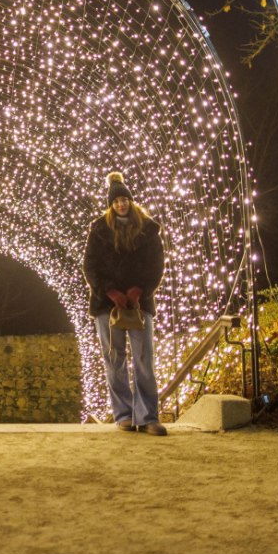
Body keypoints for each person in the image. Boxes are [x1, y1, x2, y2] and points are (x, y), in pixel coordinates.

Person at [82, 171, 167, 436]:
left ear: (130, 201)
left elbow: (156, 265)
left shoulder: (148, 229)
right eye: (116, 200)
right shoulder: (99, 230)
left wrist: (139, 289)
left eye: (124, 200)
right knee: (114, 359)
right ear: (110, 204)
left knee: (144, 359)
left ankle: (148, 416)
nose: (121, 204)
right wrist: (110, 292)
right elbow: (90, 266)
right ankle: (124, 414)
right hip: (107, 305)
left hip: (140, 304)